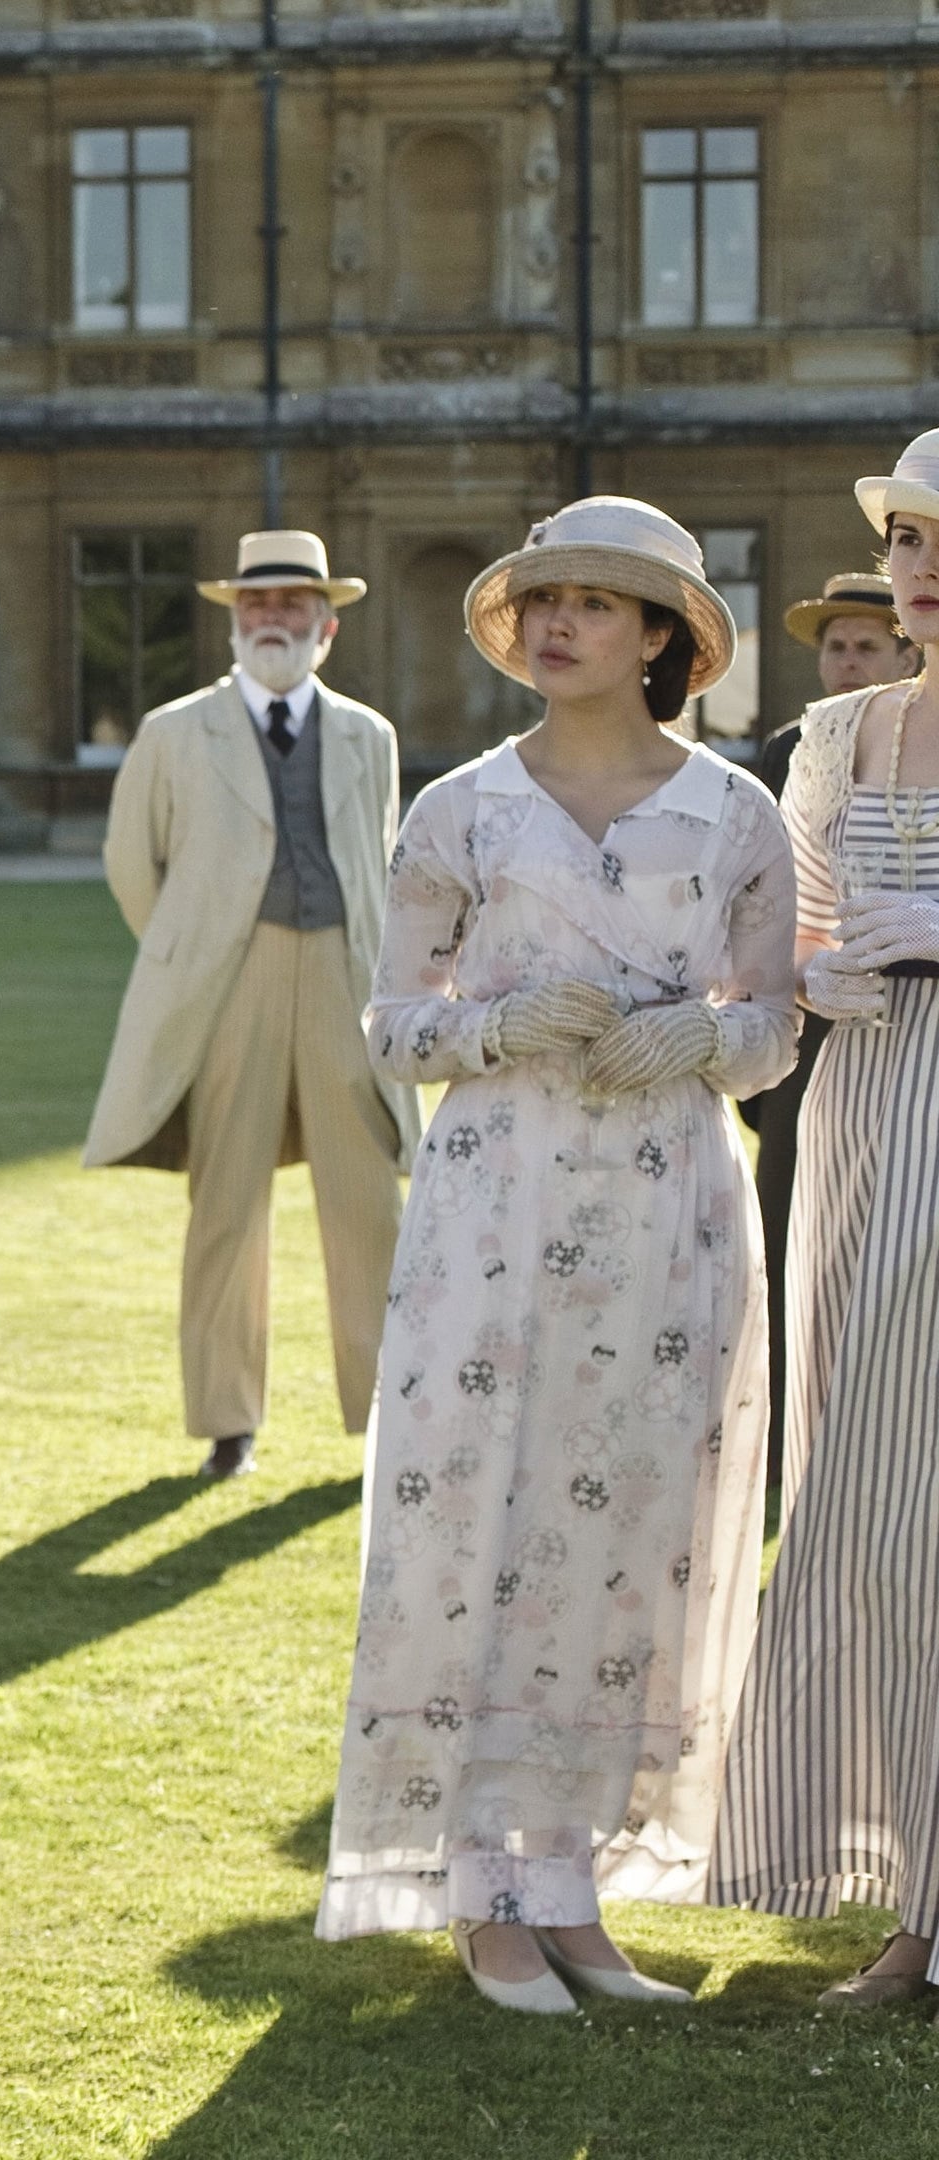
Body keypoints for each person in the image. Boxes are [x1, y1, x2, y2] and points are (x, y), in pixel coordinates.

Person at [319, 496, 788, 2014]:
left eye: (594, 602)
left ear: (661, 638)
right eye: (542, 600)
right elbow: (393, 1025)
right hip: (494, 1206)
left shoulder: (735, 813)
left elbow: (773, 1025)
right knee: (481, 1518)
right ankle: (483, 1892)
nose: (558, 623)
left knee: (633, 1526)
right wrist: (496, 1027)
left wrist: (698, 1040)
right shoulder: (459, 809)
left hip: (668, 1208)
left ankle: (571, 1888)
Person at [719, 435, 939, 2009]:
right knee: (862, 1507)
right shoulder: (844, 730)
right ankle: (913, 1886)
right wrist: (817, 968)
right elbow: (780, 938)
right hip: (858, 1115)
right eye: (909, 540)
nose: (924, 569)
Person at [86, 530, 416, 1480]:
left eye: (292, 605)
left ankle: (388, 1417)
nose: (273, 619)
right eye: (257, 605)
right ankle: (228, 1422)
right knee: (226, 1204)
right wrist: (193, 952)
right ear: (234, 622)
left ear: (326, 626)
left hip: (346, 980)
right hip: (229, 985)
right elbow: (131, 864)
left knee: (368, 1206)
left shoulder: (369, 735)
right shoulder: (173, 732)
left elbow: (379, 860)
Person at [734, 568, 914, 1440]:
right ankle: (781, 1420)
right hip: (818, 1037)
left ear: (903, 652)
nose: (846, 661)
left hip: (913, 1025)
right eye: (834, 647)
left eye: (864, 646)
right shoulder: (791, 749)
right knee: (788, 1227)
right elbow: (768, 897)